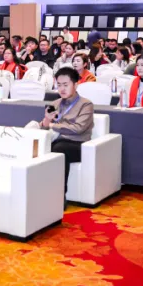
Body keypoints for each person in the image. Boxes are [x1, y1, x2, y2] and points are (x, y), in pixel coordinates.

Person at [38, 67, 94, 199]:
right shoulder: (54, 103)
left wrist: (53, 125)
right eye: (59, 85)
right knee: (41, 147)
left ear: (75, 85)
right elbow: (43, 128)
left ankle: (58, 196)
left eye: (65, 85)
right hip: (57, 141)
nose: (62, 89)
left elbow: (78, 129)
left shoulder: (86, 105)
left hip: (79, 144)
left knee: (58, 148)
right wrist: (47, 120)